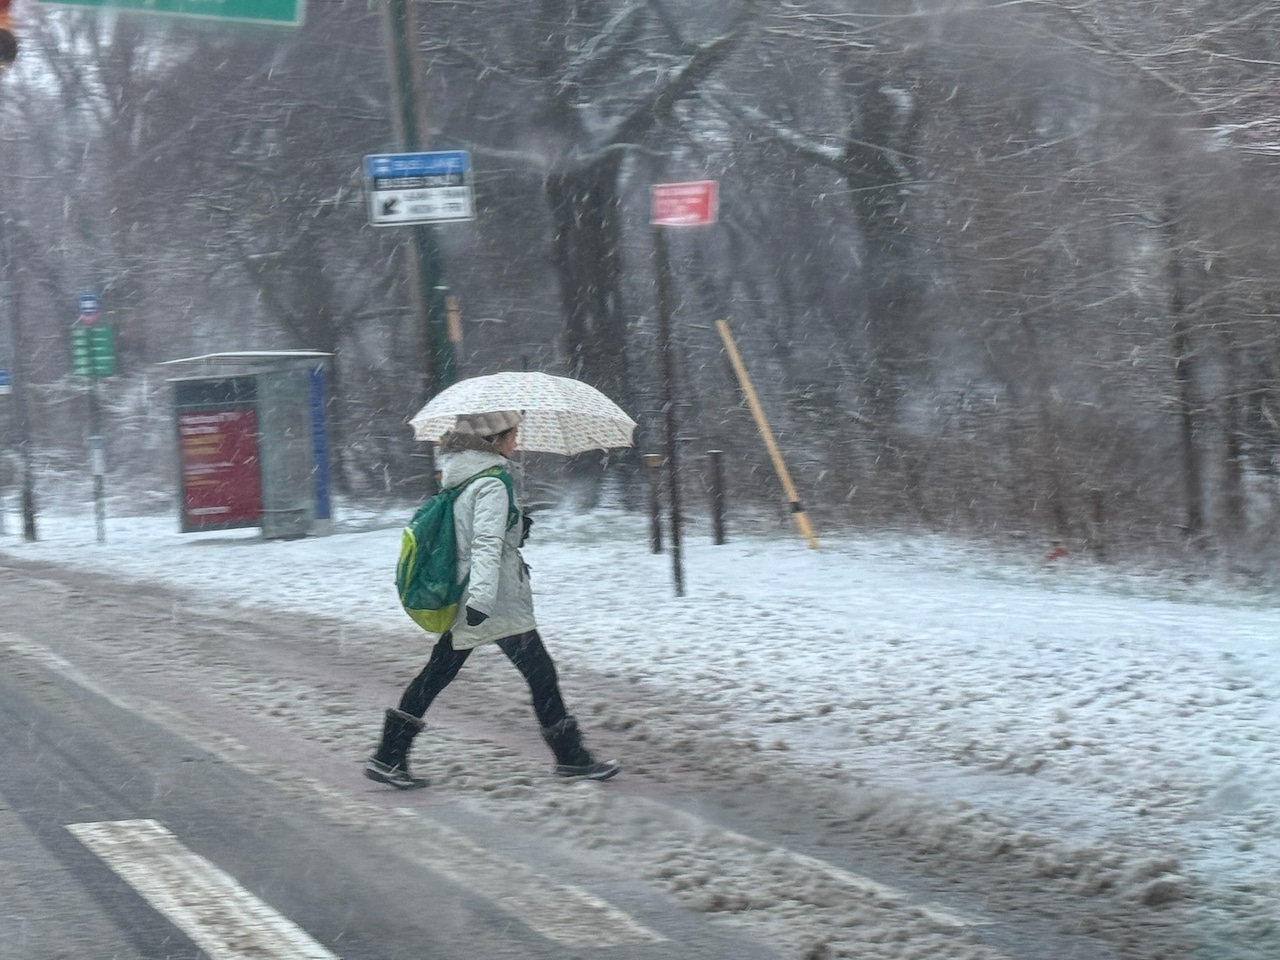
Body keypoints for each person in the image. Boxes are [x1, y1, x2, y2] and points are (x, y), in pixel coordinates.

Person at [365, 410, 621, 789]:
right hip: (492, 600)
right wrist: (482, 601)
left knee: (439, 672)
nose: (516, 442)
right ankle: (571, 758)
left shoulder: (463, 478)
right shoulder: (492, 483)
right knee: (539, 673)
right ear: (494, 440)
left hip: (474, 593)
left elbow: (473, 535)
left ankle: (389, 754)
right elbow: (484, 545)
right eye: (512, 435)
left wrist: (516, 526)